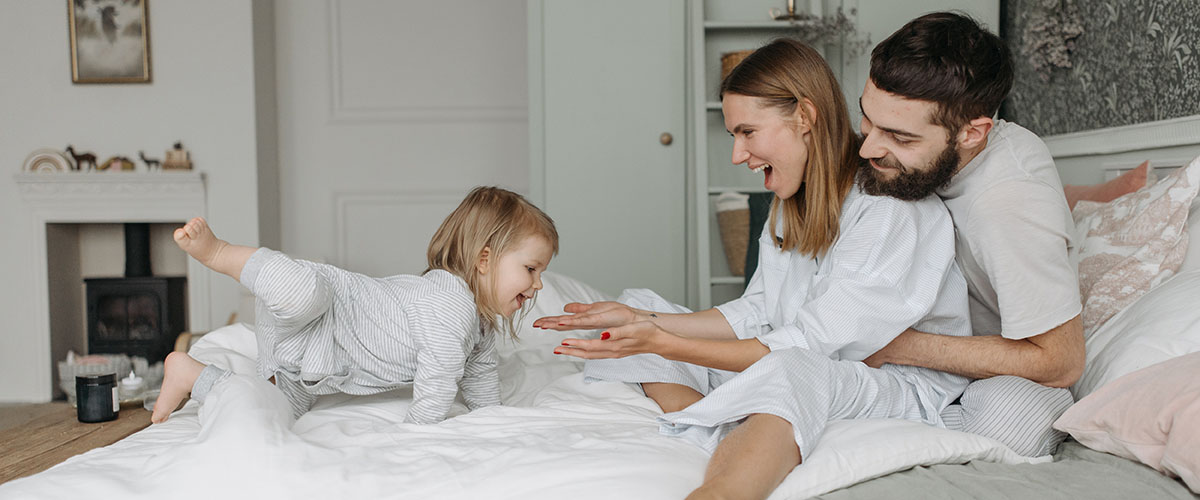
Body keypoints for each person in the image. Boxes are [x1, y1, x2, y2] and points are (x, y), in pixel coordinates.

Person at [536, 38, 972, 500]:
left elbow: (811, 346)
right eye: (734, 136)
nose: (737, 155)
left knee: (791, 370)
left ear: (804, 117)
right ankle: (712, 420)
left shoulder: (889, 211)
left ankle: (722, 488)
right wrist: (647, 323)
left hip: (893, 383)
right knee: (636, 304)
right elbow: (760, 308)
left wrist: (668, 343)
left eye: (748, 132)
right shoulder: (792, 204)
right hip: (798, 355)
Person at [857, 12, 1083, 457]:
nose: (867, 147)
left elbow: (1061, 361)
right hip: (913, 348)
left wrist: (894, 346)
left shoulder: (1009, 204)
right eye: (867, 120)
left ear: (972, 133)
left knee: (1014, 422)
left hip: (996, 374)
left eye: (898, 136)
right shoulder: (937, 150)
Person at [151, 186, 558, 425]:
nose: (538, 285)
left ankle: (191, 373)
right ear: (484, 260)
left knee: (263, 414)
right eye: (530, 268)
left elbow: (484, 396)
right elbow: (434, 391)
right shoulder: (452, 304)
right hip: (326, 312)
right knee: (301, 289)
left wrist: (501, 425)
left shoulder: (481, 327)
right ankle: (220, 252)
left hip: (315, 366)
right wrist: (416, 439)